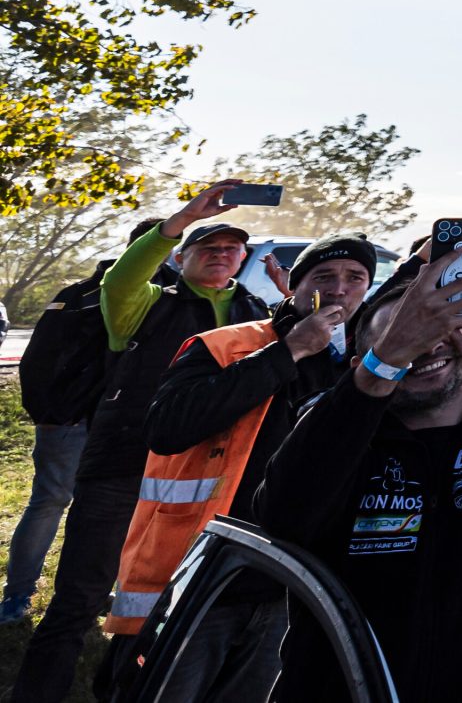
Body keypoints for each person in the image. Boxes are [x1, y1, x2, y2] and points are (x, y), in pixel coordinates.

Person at [257, 259, 462, 703]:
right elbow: (282, 514)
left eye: (440, 333)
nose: (427, 348)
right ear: (361, 362)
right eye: (406, 339)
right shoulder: (338, 428)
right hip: (343, 690)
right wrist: (386, 363)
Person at [9, 183, 271, 703]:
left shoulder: (255, 310)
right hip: (123, 468)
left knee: (175, 601)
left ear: (243, 258)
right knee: (79, 597)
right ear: (180, 257)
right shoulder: (147, 303)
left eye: (231, 248)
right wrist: (181, 219)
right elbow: (122, 278)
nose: (221, 254)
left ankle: (132, 688)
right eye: (207, 247)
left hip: (205, 481)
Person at [98, 234, 377, 699]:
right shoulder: (228, 344)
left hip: (293, 584)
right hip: (204, 574)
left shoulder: (362, 363)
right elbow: (167, 428)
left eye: (355, 278)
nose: (338, 289)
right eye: (323, 276)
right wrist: (287, 352)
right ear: (294, 285)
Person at [1, 221, 169, 628]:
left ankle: (78, 593)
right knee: (58, 503)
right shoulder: (102, 295)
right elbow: (40, 359)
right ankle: (20, 595)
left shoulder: (91, 292)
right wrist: (53, 414)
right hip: (78, 421)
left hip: (103, 424)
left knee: (94, 508)